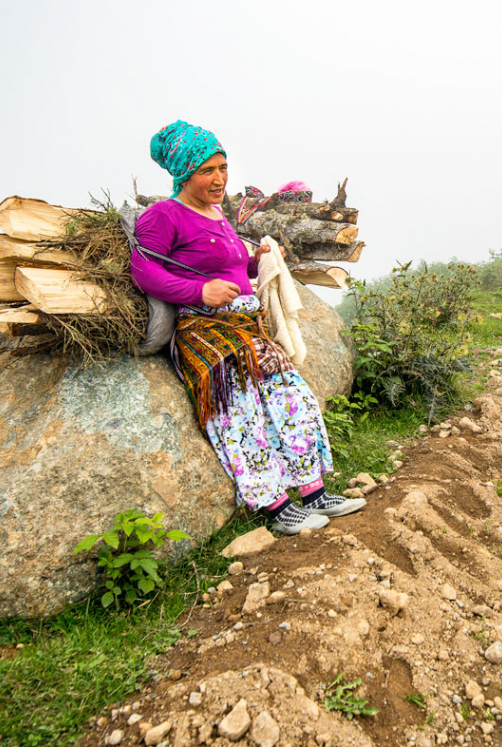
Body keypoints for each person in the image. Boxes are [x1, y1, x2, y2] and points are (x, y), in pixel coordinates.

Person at [131, 120, 365, 535]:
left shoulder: (216, 214)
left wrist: (258, 259)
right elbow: (144, 272)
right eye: (208, 170)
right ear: (185, 174)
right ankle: (276, 508)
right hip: (205, 332)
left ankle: (313, 493)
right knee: (240, 414)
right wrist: (199, 291)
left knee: (292, 398)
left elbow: (234, 267)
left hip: (244, 326)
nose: (219, 178)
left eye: (223, 167)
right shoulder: (163, 215)